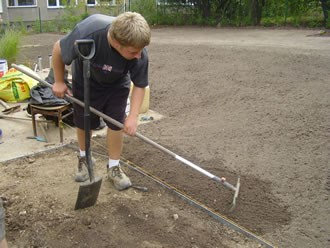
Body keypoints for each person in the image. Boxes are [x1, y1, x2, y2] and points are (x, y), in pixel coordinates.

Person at [51, 12, 151, 190]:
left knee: (116, 123)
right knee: (84, 122)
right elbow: (58, 48)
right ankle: (84, 157)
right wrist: (59, 81)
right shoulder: (88, 32)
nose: (138, 55)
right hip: (85, 80)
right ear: (115, 43)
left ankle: (114, 167)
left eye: (140, 51)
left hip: (117, 83)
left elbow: (140, 85)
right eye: (133, 52)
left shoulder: (138, 50)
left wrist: (134, 116)